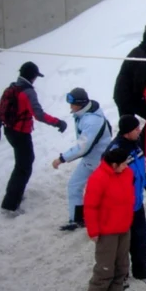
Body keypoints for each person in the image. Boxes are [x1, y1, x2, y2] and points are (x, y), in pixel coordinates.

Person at [0, 62, 67, 217]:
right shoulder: (27, 92)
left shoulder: (12, 87)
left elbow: (1, 108)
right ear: (32, 76)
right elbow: (39, 114)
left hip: (10, 130)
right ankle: (10, 204)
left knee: (23, 163)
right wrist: (58, 122)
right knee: (24, 166)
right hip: (20, 133)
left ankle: (14, 196)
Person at [83, 147, 135, 291]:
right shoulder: (98, 178)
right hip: (107, 231)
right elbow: (90, 207)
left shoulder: (127, 174)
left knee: (122, 265)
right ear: (114, 165)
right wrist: (93, 231)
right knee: (105, 267)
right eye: (123, 164)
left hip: (124, 227)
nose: (126, 166)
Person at [52, 88, 112, 231]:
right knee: (74, 185)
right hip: (90, 159)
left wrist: (62, 158)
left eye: (72, 103)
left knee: (102, 192)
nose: (70, 107)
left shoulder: (92, 121)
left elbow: (82, 147)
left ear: (80, 104)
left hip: (99, 162)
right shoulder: (84, 114)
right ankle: (77, 219)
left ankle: (106, 218)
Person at [106, 115, 146, 285]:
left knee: (141, 238)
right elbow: (107, 179)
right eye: (136, 129)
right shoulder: (116, 151)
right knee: (121, 245)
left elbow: (140, 169)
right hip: (121, 206)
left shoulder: (136, 145)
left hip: (137, 203)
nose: (139, 131)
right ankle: (121, 276)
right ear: (127, 131)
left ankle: (141, 272)